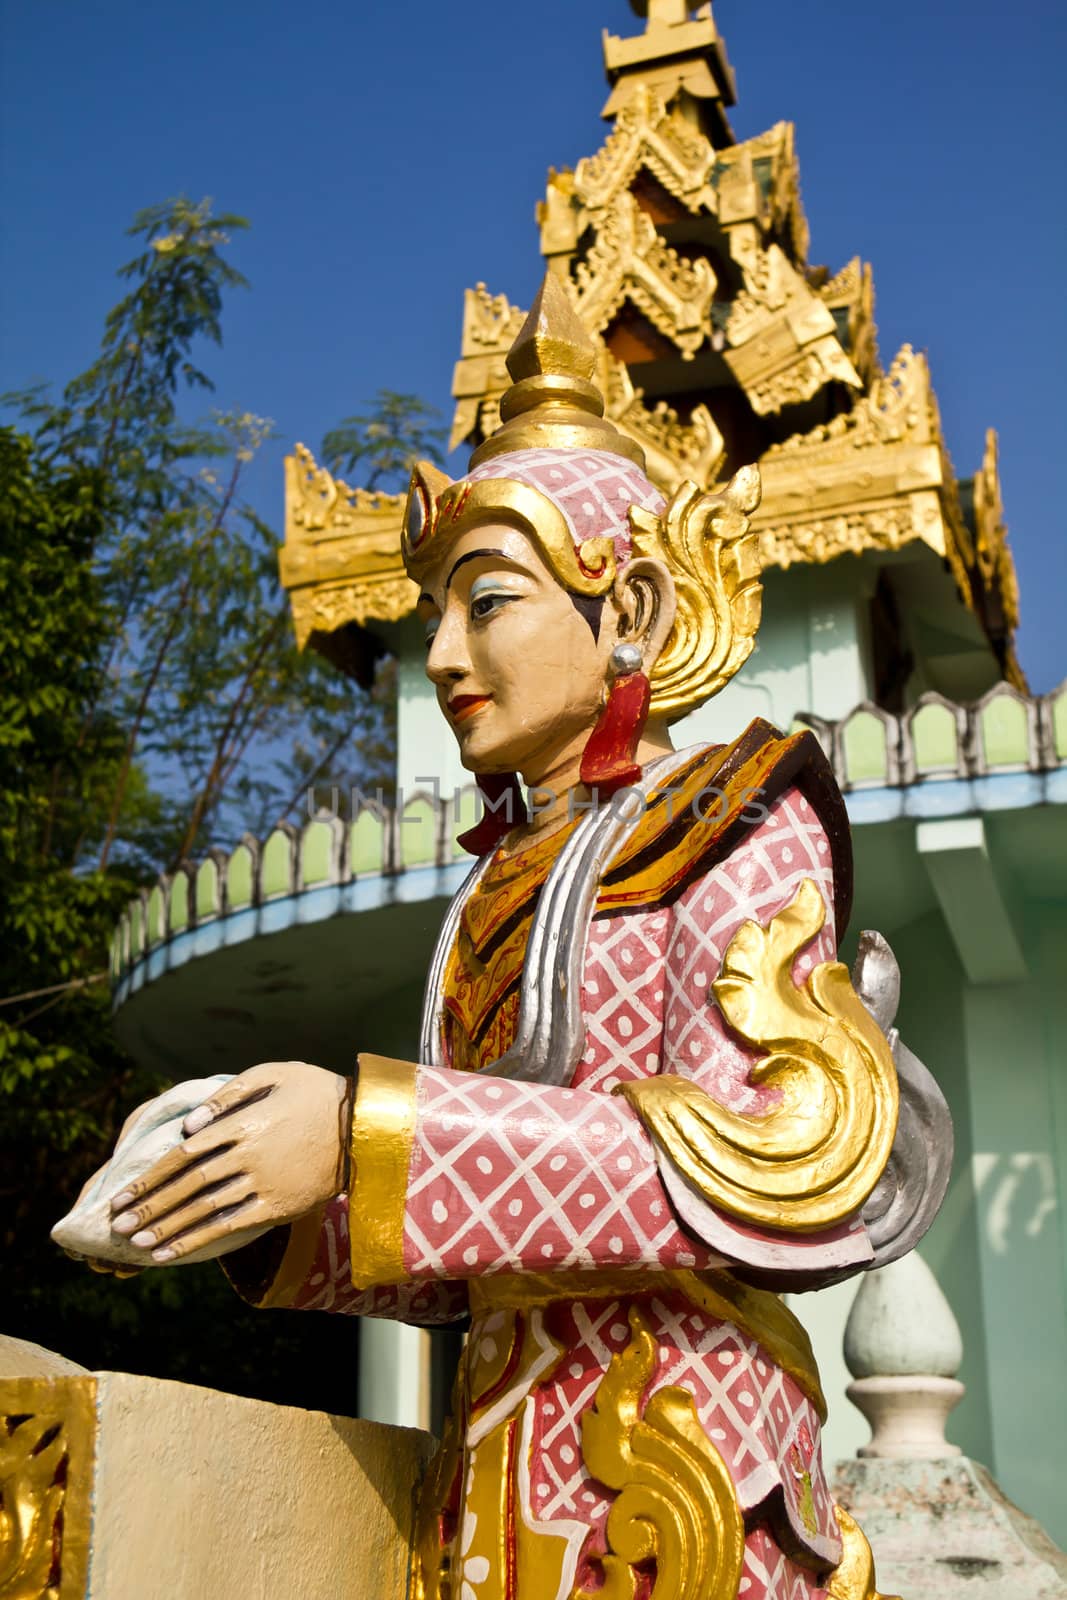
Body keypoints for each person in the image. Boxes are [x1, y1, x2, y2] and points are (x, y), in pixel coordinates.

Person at [94, 275, 920, 1600]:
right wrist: (267, 1192)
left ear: (633, 617)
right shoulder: (495, 892)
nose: (441, 653)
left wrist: (369, 1137)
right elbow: (468, 1254)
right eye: (433, 613)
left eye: (488, 602)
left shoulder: (742, 816)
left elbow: (782, 1159)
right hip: (485, 1479)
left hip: (685, 1471)